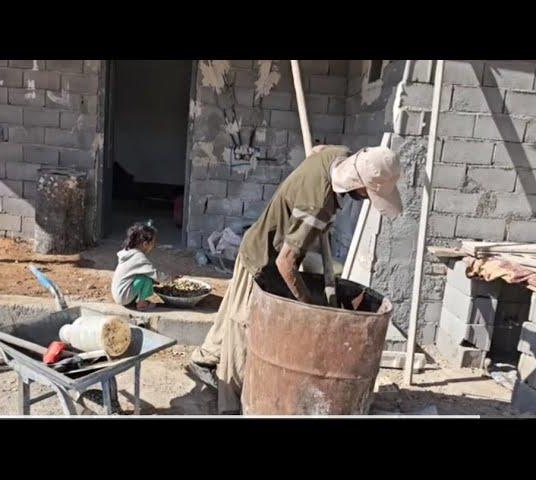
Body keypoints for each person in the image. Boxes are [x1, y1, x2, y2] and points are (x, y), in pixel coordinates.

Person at [187, 144, 403, 414]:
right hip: (261, 257)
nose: (369, 199)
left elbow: (316, 150)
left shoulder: (340, 154)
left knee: (231, 311)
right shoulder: (317, 207)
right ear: (358, 184)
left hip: (261, 243)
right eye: (369, 193)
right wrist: (309, 306)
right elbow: (285, 263)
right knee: (241, 330)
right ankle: (230, 405)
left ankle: (202, 360)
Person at [111, 221, 171, 311]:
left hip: (118, 294)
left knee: (146, 277)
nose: (153, 247)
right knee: (146, 278)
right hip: (124, 296)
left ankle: (137, 300)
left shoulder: (128, 252)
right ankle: (141, 304)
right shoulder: (139, 258)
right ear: (145, 244)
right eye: (153, 243)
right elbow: (155, 274)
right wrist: (170, 278)